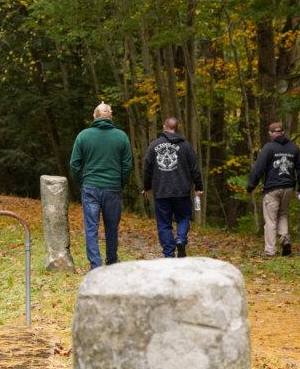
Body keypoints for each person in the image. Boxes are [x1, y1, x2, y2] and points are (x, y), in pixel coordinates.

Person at [70, 102, 133, 268]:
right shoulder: (121, 136)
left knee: (91, 228)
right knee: (112, 227)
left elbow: (74, 164)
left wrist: (82, 182)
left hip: (90, 187)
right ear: (110, 116)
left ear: (94, 116)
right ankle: (112, 262)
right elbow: (127, 165)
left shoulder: (83, 136)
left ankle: (95, 265)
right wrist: (120, 183)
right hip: (113, 187)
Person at [142, 117, 204, 258]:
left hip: (161, 191)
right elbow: (195, 168)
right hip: (181, 191)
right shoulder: (186, 146)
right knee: (183, 218)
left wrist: (147, 186)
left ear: (164, 127)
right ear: (177, 128)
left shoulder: (154, 145)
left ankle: (169, 254)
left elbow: (147, 168)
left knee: (164, 224)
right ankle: (181, 239)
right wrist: (198, 187)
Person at [247, 122, 300, 257]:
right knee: (283, 214)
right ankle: (285, 240)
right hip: (289, 187)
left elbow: (259, 168)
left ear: (272, 134)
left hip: (272, 188)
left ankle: (270, 251)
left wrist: (251, 185)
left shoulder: (268, 148)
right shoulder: (294, 148)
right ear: (283, 132)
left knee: (270, 219)